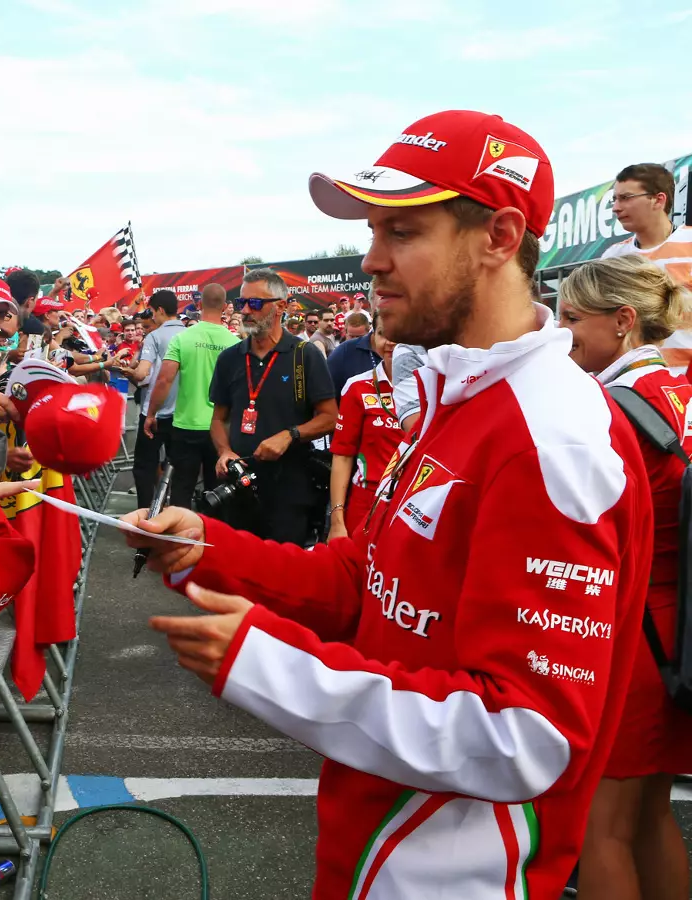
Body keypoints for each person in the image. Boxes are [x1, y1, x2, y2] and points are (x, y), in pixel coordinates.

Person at [129, 109, 652, 899]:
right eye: (372, 232)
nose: (370, 261)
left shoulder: (554, 436)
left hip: (453, 874)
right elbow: (371, 578)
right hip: (374, 847)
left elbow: (529, 737)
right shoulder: (460, 394)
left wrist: (273, 665)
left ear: (500, 238)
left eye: (400, 232)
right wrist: (211, 546)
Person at [558, 254, 692, 900]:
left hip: (635, 631)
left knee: (600, 829)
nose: (562, 334)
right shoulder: (681, 387)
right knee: (650, 814)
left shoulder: (611, 408)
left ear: (622, 321)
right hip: (681, 630)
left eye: (572, 318)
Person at [208, 268, 337, 544]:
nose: (244, 310)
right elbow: (219, 419)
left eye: (254, 303)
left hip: (289, 491)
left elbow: (330, 417)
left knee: (282, 576)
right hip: (239, 487)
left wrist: (290, 435)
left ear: (280, 306)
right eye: (241, 302)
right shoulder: (230, 358)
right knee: (238, 572)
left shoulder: (305, 355)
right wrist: (224, 451)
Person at [145, 283, 239, 508]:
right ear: (226, 307)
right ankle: (215, 538)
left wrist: (151, 414)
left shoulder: (183, 339)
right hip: (222, 430)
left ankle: (181, 539)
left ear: (199, 304)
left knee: (182, 488)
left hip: (187, 425)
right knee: (218, 492)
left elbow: (164, 380)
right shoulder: (236, 344)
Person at [600, 163, 692, 370]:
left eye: (626, 198)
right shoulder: (612, 258)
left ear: (658, 200)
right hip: (632, 386)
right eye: (615, 199)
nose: (616, 207)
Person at [327, 313, 397, 541]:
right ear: (373, 338)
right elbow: (343, 456)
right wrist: (337, 520)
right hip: (366, 502)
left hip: (416, 502)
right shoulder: (357, 387)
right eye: (382, 334)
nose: (390, 342)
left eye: (399, 335)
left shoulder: (435, 385)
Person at [118, 290, 183, 510]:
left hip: (154, 413)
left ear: (161, 311)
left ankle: (146, 514)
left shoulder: (154, 337)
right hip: (182, 414)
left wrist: (128, 372)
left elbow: (142, 373)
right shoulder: (190, 334)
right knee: (177, 466)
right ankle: (176, 514)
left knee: (144, 468)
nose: (152, 317)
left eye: (153, 312)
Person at [326, 308, 385, 402]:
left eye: (359, 337)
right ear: (345, 331)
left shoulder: (385, 349)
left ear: (369, 331)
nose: (355, 340)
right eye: (351, 336)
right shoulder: (340, 353)